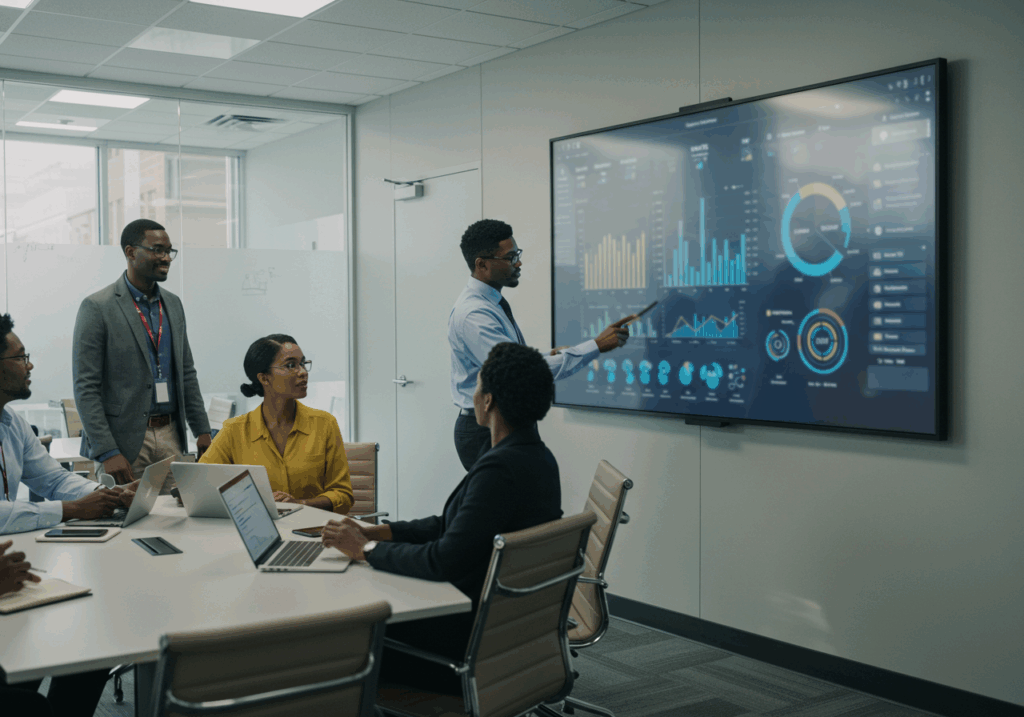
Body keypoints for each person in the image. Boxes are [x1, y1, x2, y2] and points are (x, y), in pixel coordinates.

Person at [322, 342, 562, 693]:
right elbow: (452, 525)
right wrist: (381, 531)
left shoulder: (501, 469)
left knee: (346, 630)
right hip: (503, 629)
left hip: (461, 642)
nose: (472, 393)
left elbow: (443, 560)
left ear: (488, 400)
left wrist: (366, 550)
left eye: (477, 385)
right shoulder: (533, 456)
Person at [449, 218, 636, 469]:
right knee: (506, 506)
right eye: (510, 257)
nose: (519, 263)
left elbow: (510, 358)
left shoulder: (489, 304)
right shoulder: (475, 315)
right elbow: (518, 374)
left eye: (517, 254)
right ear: (481, 264)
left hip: (501, 424)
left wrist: (550, 354)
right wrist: (596, 346)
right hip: (486, 429)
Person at [72, 219, 212, 492]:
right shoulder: (97, 307)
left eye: (169, 251)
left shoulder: (173, 304)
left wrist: (202, 430)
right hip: (124, 443)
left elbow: (186, 372)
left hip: (171, 435)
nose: (165, 258)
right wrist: (107, 451)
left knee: (177, 518)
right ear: (130, 252)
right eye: (157, 250)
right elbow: (86, 387)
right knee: (126, 521)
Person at [0, 315, 126, 535]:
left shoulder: (14, 424)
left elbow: (54, 480)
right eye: (20, 357)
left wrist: (106, 495)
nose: (29, 365)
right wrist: (71, 509)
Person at [199, 335, 353, 513]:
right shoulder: (234, 430)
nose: (303, 372)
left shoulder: (325, 424)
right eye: (290, 365)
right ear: (265, 378)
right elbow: (200, 485)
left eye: (302, 363)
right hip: (258, 534)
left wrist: (300, 504)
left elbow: (343, 495)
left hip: (314, 532)